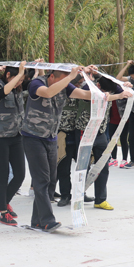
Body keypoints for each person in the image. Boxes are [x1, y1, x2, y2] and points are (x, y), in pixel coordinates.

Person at [22, 65, 131, 231]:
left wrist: (119, 94)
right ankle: (47, 220)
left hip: (50, 137)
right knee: (42, 179)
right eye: (62, 80)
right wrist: (70, 77)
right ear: (52, 77)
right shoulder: (37, 84)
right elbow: (48, 93)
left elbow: (87, 95)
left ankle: (37, 220)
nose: (65, 84)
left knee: (50, 179)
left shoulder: (64, 86)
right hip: (33, 137)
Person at [76, 74, 132, 211]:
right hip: (85, 132)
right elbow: (101, 97)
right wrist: (116, 95)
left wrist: (126, 86)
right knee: (83, 167)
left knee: (102, 166)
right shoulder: (88, 88)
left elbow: (121, 92)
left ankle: (100, 200)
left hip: (100, 133)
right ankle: (78, 197)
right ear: (99, 85)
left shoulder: (109, 87)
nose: (109, 93)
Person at [0, 61, 27, 225]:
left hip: (16, 136)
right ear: (8, 75)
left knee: (20, 174)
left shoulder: (17, 88)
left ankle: (5, 202)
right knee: (3, 174)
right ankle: (3, 211)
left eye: (22, 80)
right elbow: (2, 93)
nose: (20, 83)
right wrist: (19, 75)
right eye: (18, 79)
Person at [56, 80, 82, 208]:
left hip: (78, 135)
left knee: (82, 168)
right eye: (77, 83)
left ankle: (81, 194)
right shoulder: (58, 93)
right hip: (63, 136)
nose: (79, 85)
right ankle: (65, 195)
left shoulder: (81, 93)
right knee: (63, 169)